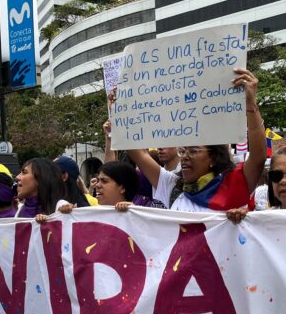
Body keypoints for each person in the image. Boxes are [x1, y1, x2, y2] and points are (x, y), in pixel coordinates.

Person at [113, 68, 266, 212]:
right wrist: (121, 110)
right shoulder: (173, 186)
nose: (185, 157)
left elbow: (258, 157)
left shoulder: (233, 184)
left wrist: (250, 104)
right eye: (183, 150)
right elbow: (139, 154)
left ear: (213, 157)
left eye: (193, 151)